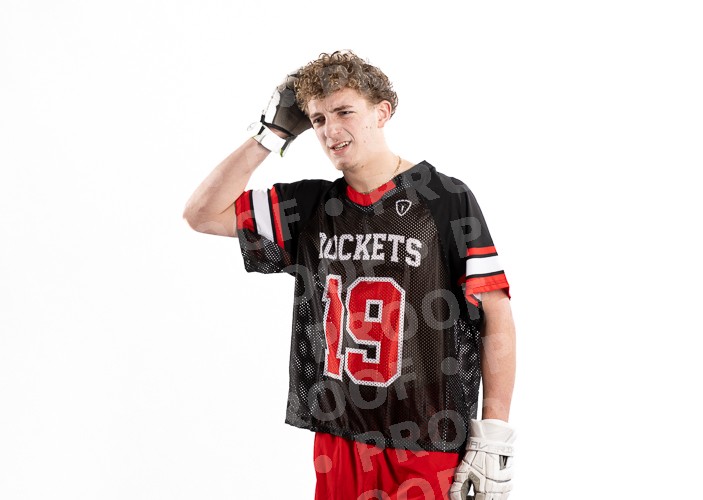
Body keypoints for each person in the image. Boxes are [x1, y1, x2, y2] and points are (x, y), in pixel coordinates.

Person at [183, 50, 517, 500]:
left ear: (382, 113)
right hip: (339, 434)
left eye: (344, 112)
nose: (330, 130)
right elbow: (201, 214)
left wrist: (493, 434)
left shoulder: (445, 198)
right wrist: (269, 134)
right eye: (318, 119)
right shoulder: (310, 206)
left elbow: (496, 313)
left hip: (426, 438)